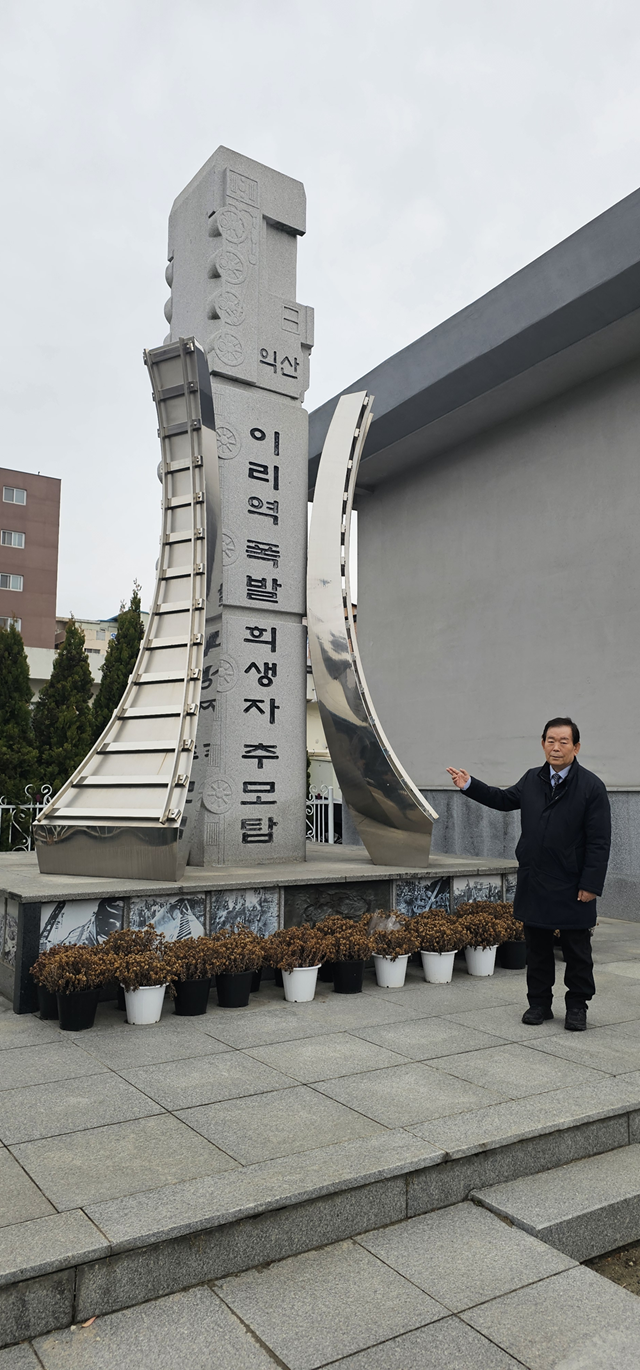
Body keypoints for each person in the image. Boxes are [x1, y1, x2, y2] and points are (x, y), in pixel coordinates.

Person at [447, 718, 611, 1031]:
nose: (556, 747)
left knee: (577, 951)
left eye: (564, 741)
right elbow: (503, 799)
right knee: (536, 949)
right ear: (542, 743)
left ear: (576, 747)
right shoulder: (532, 779)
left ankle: (577, 1007)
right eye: (551, 740)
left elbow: (600, 841)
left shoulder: (591, 787)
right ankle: (539, 1004)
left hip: (573, 884)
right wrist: (470, 784)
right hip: (535, 879)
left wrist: (591, 884)